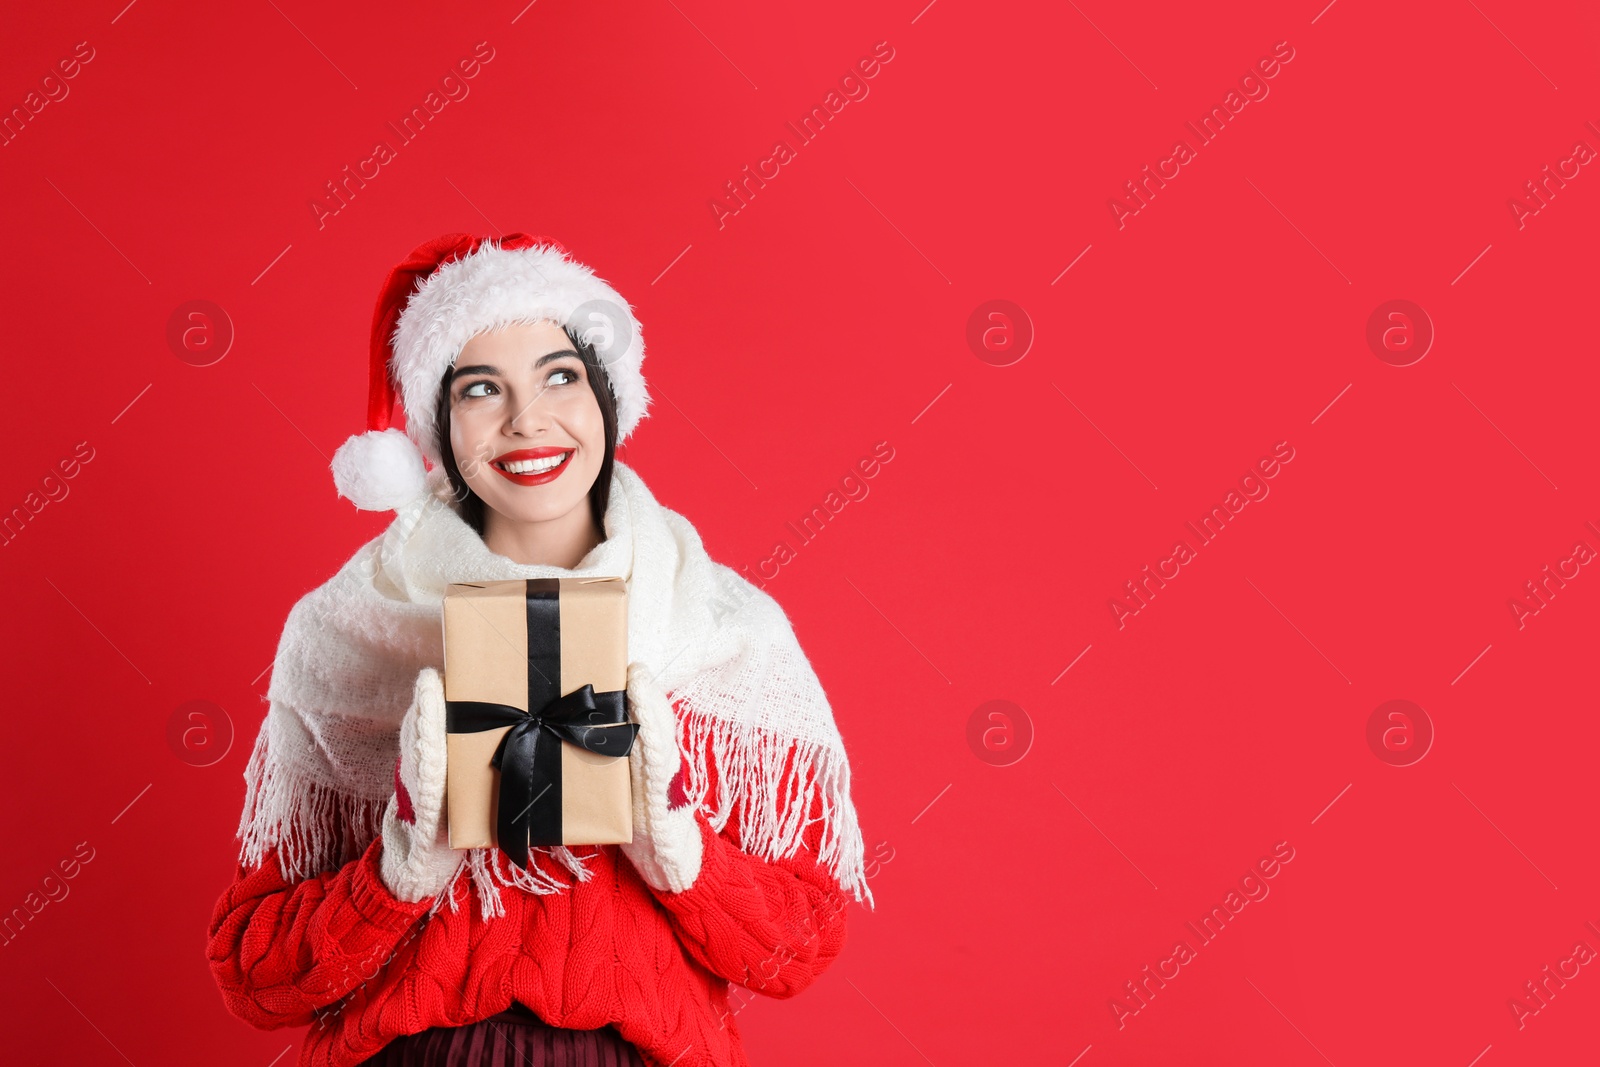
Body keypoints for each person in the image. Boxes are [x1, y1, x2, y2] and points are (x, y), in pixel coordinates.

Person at [206, 234, 873, 1067]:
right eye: (482, 389)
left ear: (606, 396)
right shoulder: (349, 630)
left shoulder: (725, 631)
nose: (527, 419)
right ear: (440, 427)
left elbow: (798, 949)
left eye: (560, 375)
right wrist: (399, 868)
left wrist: (681, 854)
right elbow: (257, 976)